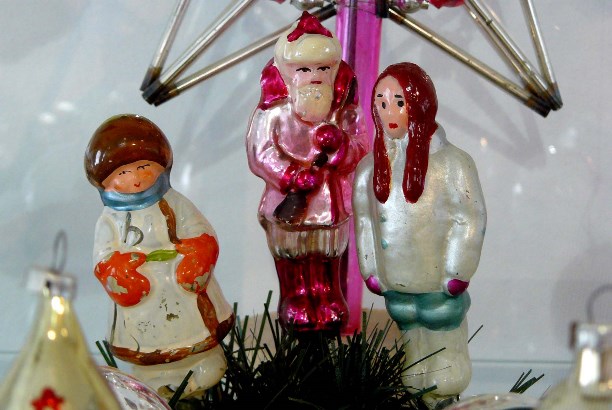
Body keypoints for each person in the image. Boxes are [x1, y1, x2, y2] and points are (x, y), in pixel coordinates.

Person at [352, 63, 486, 408]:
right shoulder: (368, 169)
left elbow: (468, 218)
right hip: (397, 279)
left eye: (399, 102)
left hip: (437, 282)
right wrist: (371, 268)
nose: (389, 112)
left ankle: (445, 386)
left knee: (441, 329)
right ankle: (416, 386)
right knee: (411, 339)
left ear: (420, 104)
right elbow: (365, 222)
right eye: (381, 103)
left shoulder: (453, 163)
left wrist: (457, 271)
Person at [84, 114, 234, 394]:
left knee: (201, 343)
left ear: (161, 166)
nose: (136, 179)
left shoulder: (174, 202)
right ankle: (154, 381)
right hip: (143, 301)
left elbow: (201, 231)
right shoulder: (110, 219)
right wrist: (118, 270)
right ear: (105, 181)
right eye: (123, 173)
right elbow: (103, 256)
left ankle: (205, 369)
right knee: (147, 349)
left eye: (143, 167)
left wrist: (197, 254)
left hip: (181, 285)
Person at [246, 11, 368, 332]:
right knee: (293, 254)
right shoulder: (273, 114)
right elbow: (261, 153)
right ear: (287, 73)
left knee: (327, 255)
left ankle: (328, 298)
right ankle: (295, 298)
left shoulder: (343, 111)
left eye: (323, 69)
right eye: (304, 69)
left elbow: (361, 146)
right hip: (288, 205)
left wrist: (341, 148)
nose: (314, 76)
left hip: (330, 204)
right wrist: (291, 175)